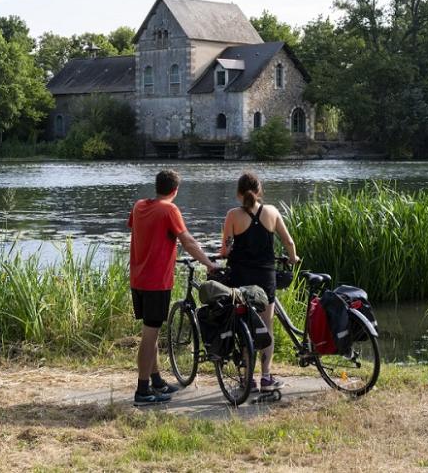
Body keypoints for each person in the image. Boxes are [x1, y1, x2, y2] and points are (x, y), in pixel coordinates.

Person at [128, 169, 218, 406]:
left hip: (137, 279)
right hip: (156, 281)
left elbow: (139, 230)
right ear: (175, 190)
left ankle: (156, 381)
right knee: (149, 337)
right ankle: (142, 391)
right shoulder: (170, 209)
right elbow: (187, 240)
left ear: (157, 186)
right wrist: (209, 263)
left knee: (151, 331)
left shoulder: (139, 206)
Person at [220, 172, 300, 393]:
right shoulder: (272, 212)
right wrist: (293, 258)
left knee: (244, 326)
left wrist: (226, 252)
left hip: (241, 279)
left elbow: (225, 249)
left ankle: (247, 380)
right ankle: (266, 377)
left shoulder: (232, 215)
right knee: (266, 327)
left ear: (239, 192)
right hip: (266, 278)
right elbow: (289, 242)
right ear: (259, 191)